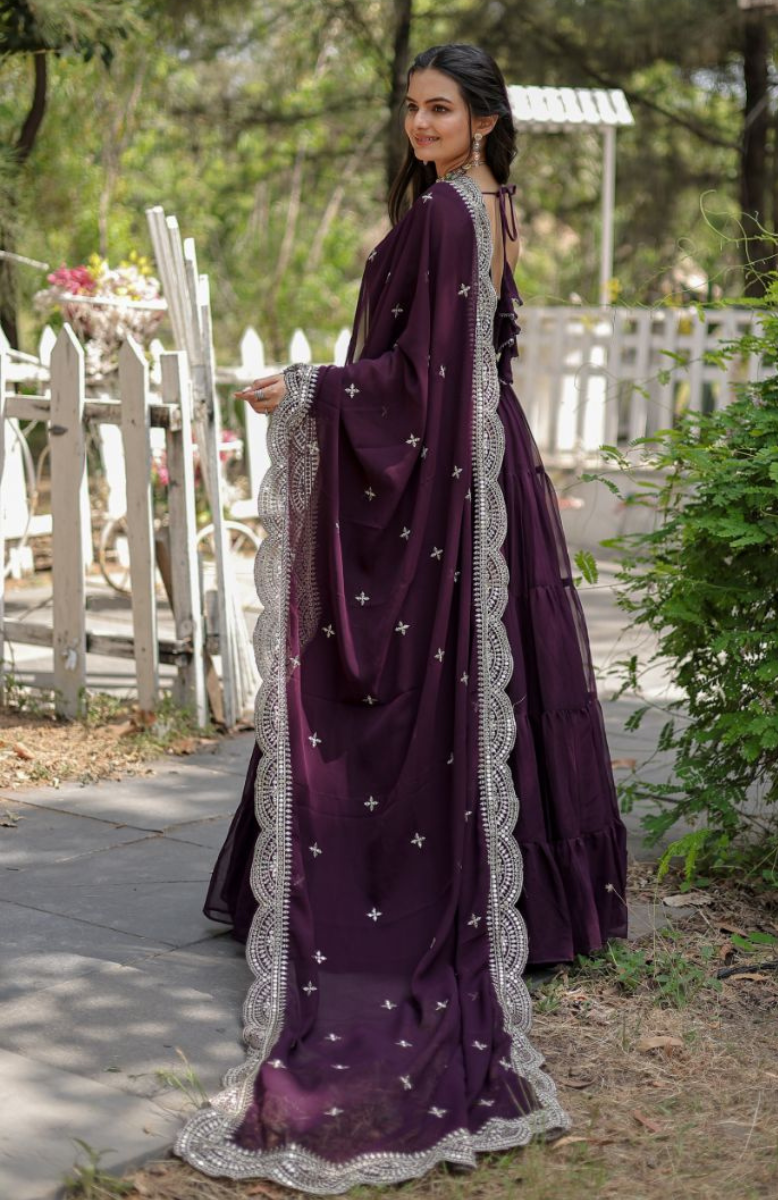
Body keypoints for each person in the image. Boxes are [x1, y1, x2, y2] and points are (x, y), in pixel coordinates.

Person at [174, 42, 628, 1193]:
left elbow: (423, 378)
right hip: (492, 470)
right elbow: (481, 361)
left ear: (481, 118)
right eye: (411, 107)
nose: (419, 123)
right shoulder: (486, 202)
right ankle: (547, 912)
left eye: (440, 108)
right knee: (505, 685)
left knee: (434, 690)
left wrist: (310, 389)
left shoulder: (442, 215)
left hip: (458, 478)